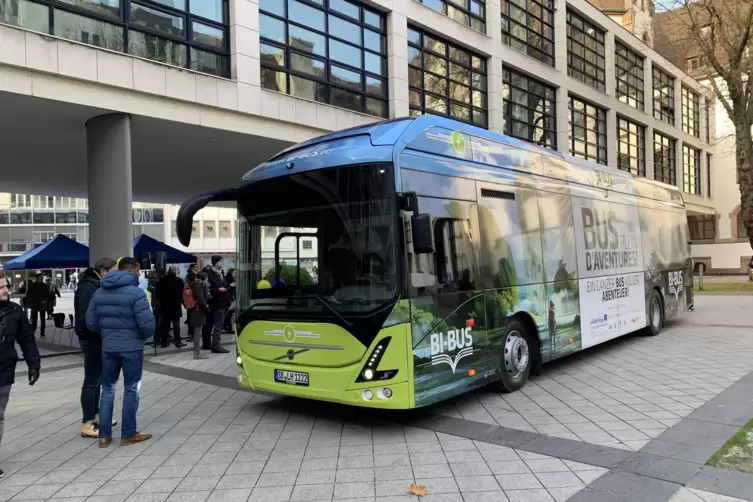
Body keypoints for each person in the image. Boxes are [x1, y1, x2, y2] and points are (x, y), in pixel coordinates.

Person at [86, 257, 154, 448]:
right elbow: (148, 325)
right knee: (132, 389)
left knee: (107, 390)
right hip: (132, 349)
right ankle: (128, 433)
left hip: (108, 348)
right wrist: (138, 336)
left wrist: (107, 333)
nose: (140, 275)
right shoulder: (136, 294)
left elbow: (90, 322)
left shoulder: (99, 292)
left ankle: (104, 436)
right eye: (139, 271)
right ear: (132, 270)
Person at [0, 272, 40, 478]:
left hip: (4, 369)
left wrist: (34, 363)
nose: (6, 290)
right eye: (1, 287)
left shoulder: (15, 311)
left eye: (6, 286)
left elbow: (27, 338)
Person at [74, 257, 117, 438]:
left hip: (95, 338)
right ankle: (87, 421)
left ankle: (97, 415)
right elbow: (86, 318)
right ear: (103, 271)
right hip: (91, 339)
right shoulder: (89, 287)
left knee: (97, 378)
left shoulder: (94, 285)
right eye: (113, 272)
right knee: (91, 380)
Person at [156, 267, 186, 348]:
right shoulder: (179, 281)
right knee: (176, 325)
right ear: (175, 272)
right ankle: (178, 341)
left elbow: (158, 293)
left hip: (165, 306)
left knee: (165, 325)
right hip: (176, 306)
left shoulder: (162, 280)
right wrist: (183, 303)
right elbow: (181, 295)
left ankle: (163, 343)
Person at [206, 256, 230, 354]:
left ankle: (215, 344)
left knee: (219, 324)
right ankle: (216, 346)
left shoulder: (222, 273)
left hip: (224, 302)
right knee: (218, 325)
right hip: (216, 303)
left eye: (222, 261)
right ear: (215, 263)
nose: (222, 263)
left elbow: (224, 285)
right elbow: (207, 290)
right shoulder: (210, 274)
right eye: (220, 261)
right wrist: (218, 290)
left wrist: (228, 287)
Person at [185, 275, 210, 360]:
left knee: (197, 332)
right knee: (197, 333)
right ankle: (196, 354)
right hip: (198, 311)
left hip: (195, 310)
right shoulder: (198, 286)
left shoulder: (193, 285)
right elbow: (201, 300)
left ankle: (197, 352)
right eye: (207, 279)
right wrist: (207, 310)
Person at [26, 273, 49, 338]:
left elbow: (47, 295)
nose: (41, 278)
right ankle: (33, 332)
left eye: (42, 277)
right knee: (34, 320)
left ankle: (42, 332)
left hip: (42, 305)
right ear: (37, 278)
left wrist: (45, 300)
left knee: (43, 319)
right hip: (34, 305)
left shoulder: (45, 286)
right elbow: (29, 295)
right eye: (40, 277)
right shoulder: (32, 286)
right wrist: (30, 304)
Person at [199, 271, 213, 350]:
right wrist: (207, 308)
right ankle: (206, 344)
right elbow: (202, 300)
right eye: (207, 279)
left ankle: (207, 342)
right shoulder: (200, 286)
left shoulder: (205, 287)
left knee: (207, 327)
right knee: (206, 327)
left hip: (206, 309)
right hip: (204, 310)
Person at [223, 268, 237, 334]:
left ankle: (227, 326)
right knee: (229, 313)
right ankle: (227, 326)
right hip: (230, 299)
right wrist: (230, 286)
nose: (235, 273)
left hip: (235, 298)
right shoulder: (227, 279)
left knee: (231, 313)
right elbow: (225, 288)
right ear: (231, 273)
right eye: (234, 272)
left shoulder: (236, 279)